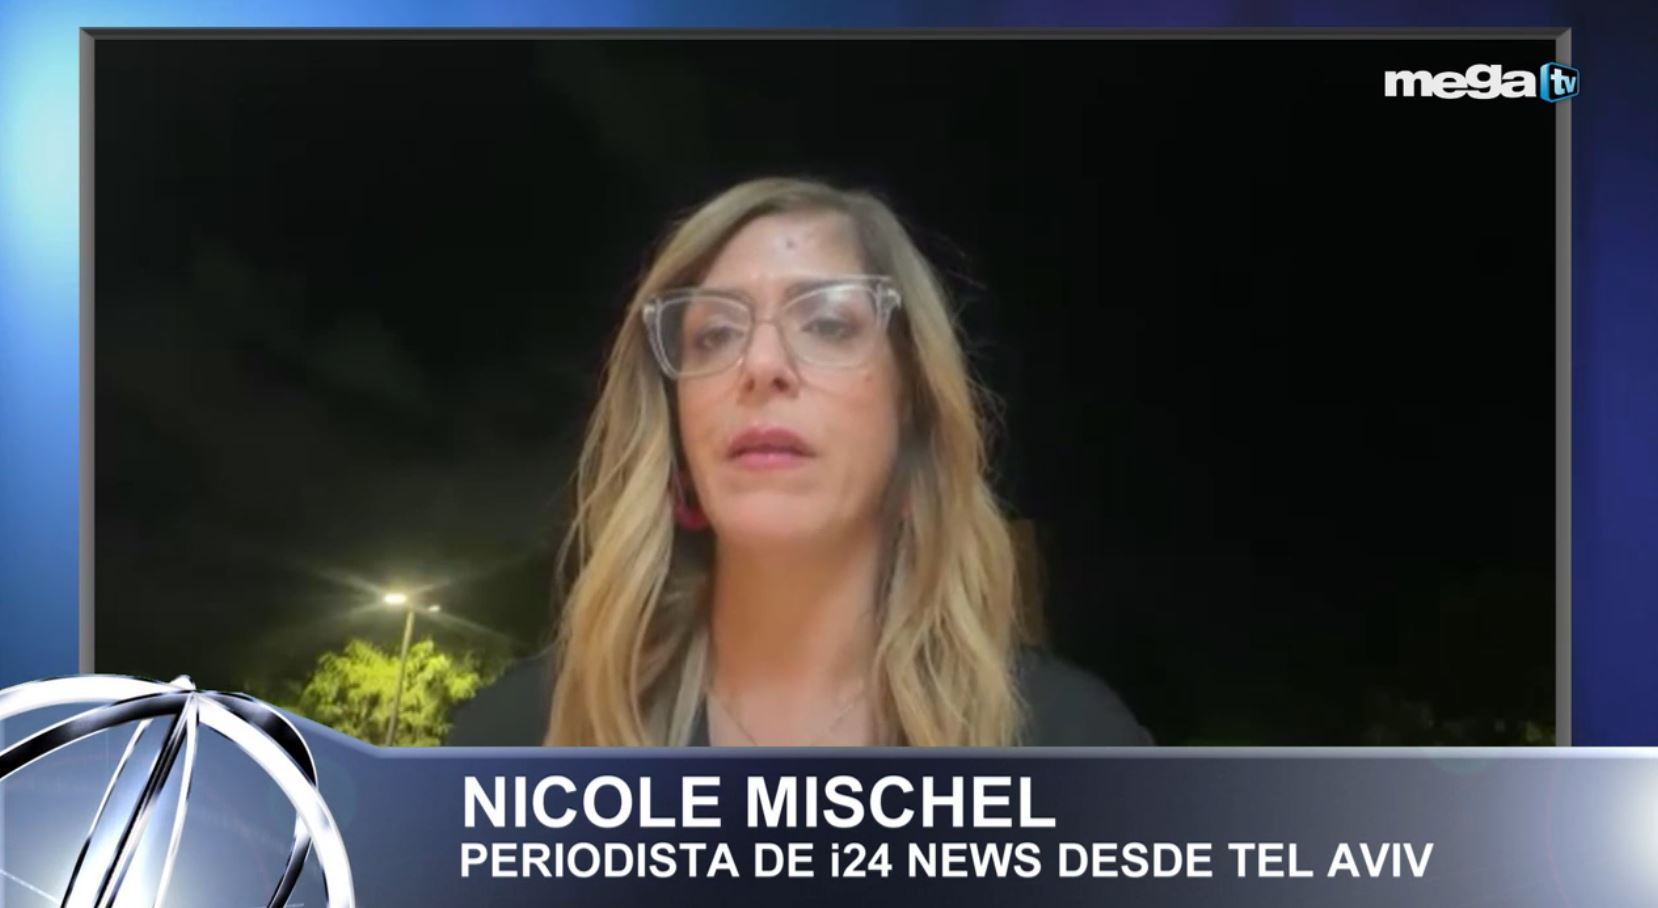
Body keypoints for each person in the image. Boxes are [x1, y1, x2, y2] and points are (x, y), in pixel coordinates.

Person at [448, 177, 1150, 747]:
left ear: (912, 408)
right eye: (714, 334)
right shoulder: (519, 743)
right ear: (676, 427)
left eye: (827, 323)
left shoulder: (1074, 750)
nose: (760, 365)